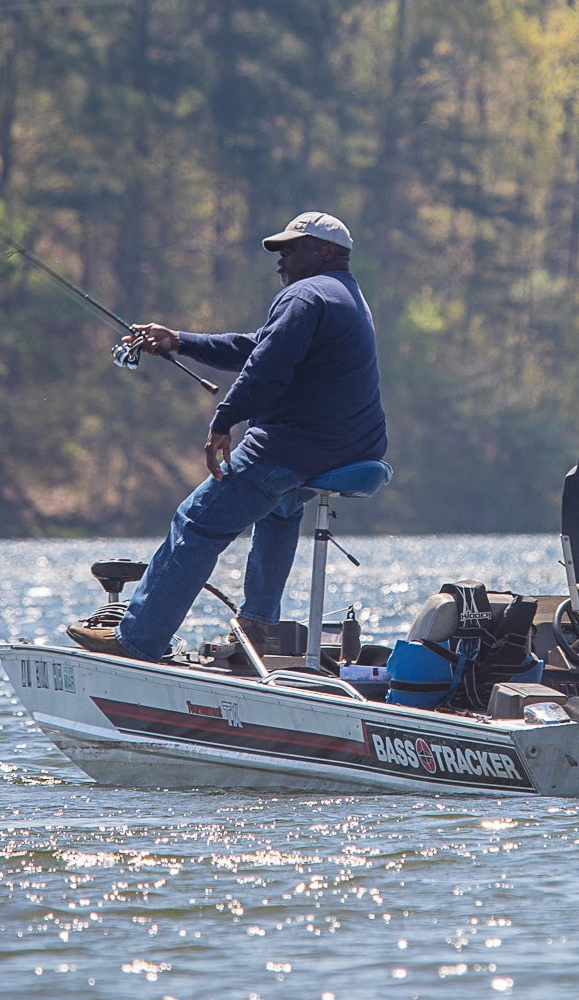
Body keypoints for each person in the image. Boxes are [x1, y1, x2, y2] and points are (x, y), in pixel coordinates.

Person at [68, 210, 387, 662]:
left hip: (297, 447)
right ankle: (256, 629)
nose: (280, 259)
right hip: (347, 448)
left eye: (291, 248)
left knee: (195, 522)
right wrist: (178, 340)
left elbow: (266, 368)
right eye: (279, 250)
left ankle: (138, 640)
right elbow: (257, 346)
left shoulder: (305, 295)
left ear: (328, 251)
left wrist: (224, 420)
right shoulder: (343, 296)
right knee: (279, 509)